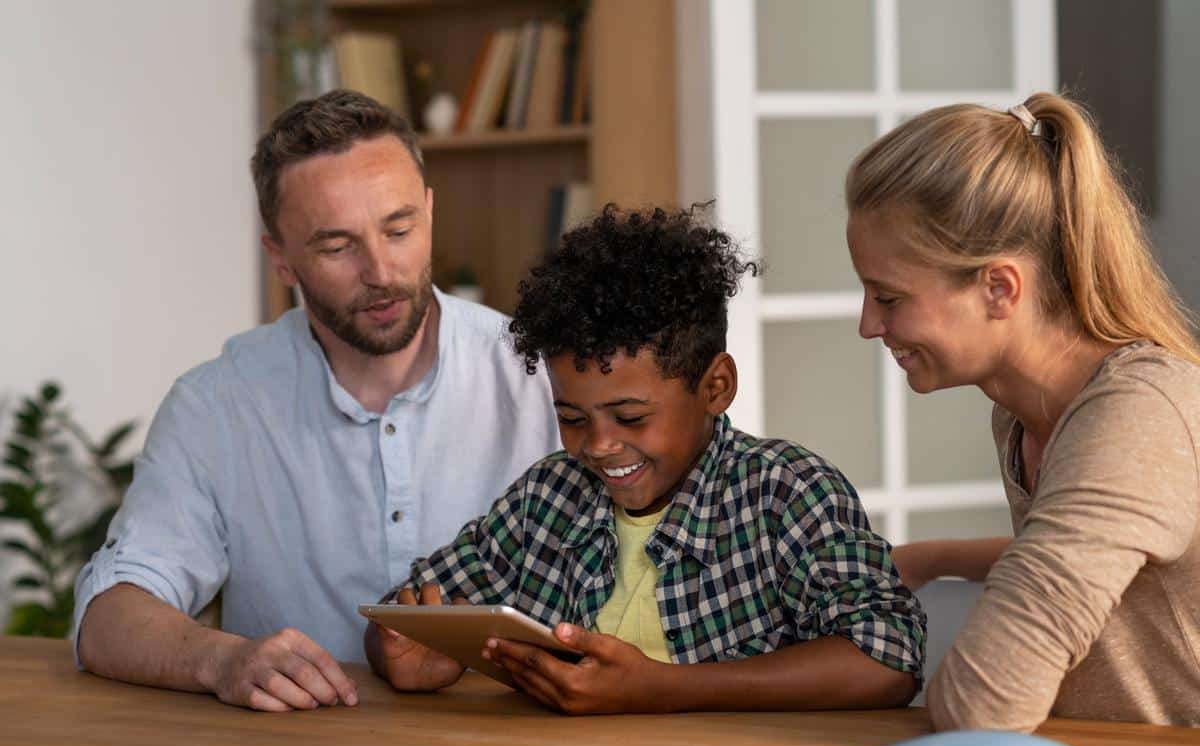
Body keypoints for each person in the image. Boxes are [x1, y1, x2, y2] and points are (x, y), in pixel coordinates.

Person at [73, 90, 560, 712]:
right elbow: (109, 615)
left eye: (400, 228)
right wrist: (221, 659)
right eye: (337, 247)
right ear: (280, 257)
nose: (381, 270)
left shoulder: (539, 373)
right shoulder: (216, 403)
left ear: (430, 213)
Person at [366, 205, 925, 714]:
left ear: (717, 386)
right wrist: (405, 651)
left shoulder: (787, 495)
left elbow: (888, 658)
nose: (599, 445)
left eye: (630, 417)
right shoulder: (545, 500)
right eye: (573, 418)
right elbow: (401, 612)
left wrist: (662, 687)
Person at [844, 92, 1200, 730]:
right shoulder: (1019, 414)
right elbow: (1089, 552)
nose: (869, 325)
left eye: (889, 297)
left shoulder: (1139, 415)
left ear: (999, 288)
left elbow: (985, 708)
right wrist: (932, 558)